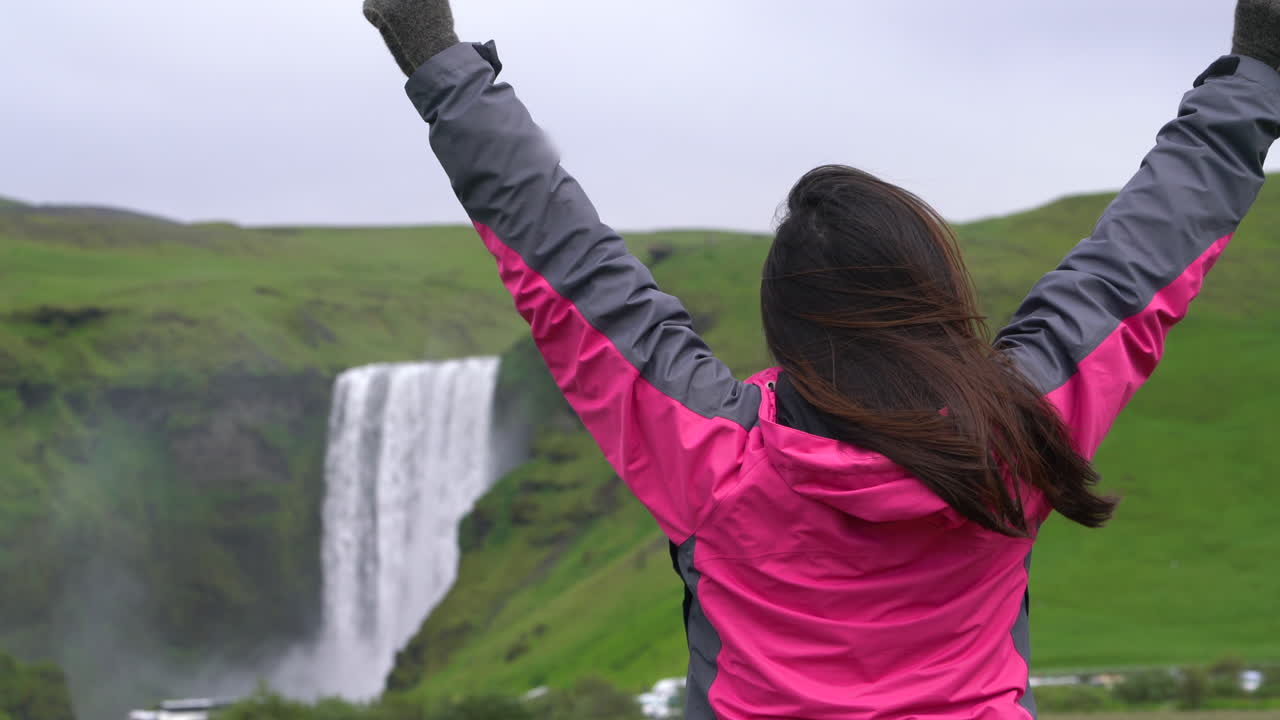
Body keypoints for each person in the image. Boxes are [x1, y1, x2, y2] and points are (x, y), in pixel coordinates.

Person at [361, 2, 1280, 718]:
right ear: (940, 298)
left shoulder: (712, 462)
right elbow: (1144, 255)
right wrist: (1258, 70)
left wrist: (437, 57)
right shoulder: (1022, 437)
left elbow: (567, 263)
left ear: (785, 328)